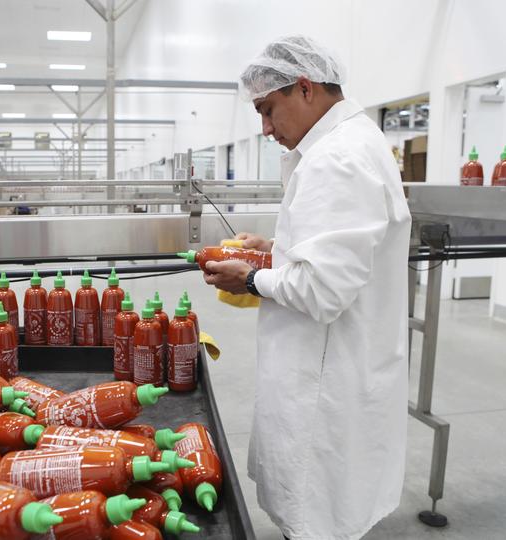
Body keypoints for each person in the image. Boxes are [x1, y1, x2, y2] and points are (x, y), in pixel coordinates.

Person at [202, 36, 411, 539]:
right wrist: (274, 246)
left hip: (326, 378)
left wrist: (249, 276)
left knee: (317, 515)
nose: (267, 128)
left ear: (305, 87)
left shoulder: (335, 159)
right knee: (327, 511)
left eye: (268, 109)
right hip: (343, 364)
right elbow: (339, 251)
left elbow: (321, 290)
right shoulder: (353, 143)